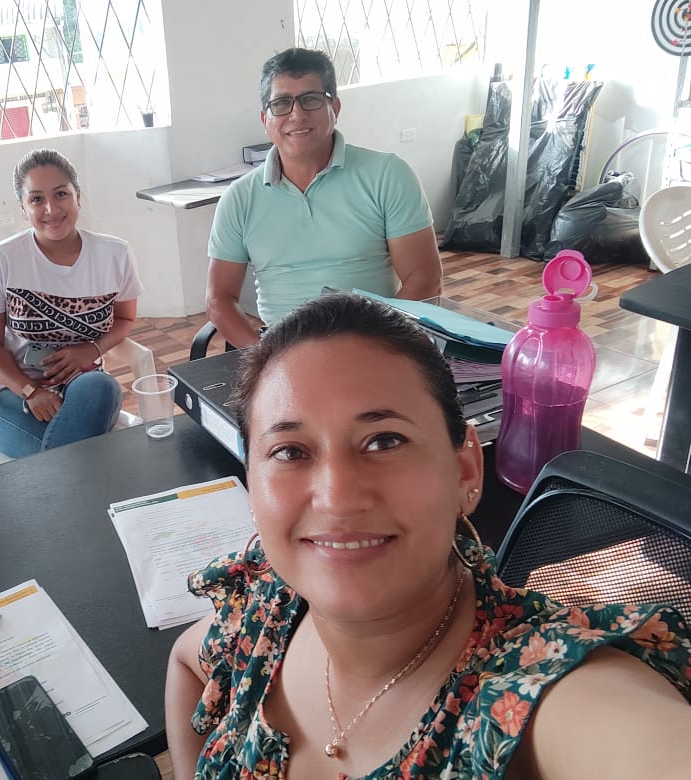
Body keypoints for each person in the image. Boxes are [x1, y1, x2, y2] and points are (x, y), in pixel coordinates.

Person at [165, 292, 691, 778]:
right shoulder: (269, 605)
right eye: (289, 451)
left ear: (464, 469)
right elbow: (186, 662)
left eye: (384, 440)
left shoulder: (538, 692)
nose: (337, 497)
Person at [206, 48, 443, 348]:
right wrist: (265, 358)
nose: (297, 114)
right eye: (281, 103)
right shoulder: (239, 199)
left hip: (375, 344)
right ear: (265, 119)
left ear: (335, 107)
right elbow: (218, 299)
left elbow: (424, 279)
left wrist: (379, 346)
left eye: (311, 99)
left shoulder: (388, 175)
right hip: (283, 351)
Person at [0, 148, 143, 458]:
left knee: (102, 387)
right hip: (8, 389)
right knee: (79, 455)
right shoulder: (1, 259)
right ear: (23, 208)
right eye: (37, 199)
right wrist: (31, 391)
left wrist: (91, 350)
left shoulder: (114, 254)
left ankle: (65, 477)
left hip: (82, 385)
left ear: (78, 196)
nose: (51, 209)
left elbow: (125, 319)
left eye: (61, 194)